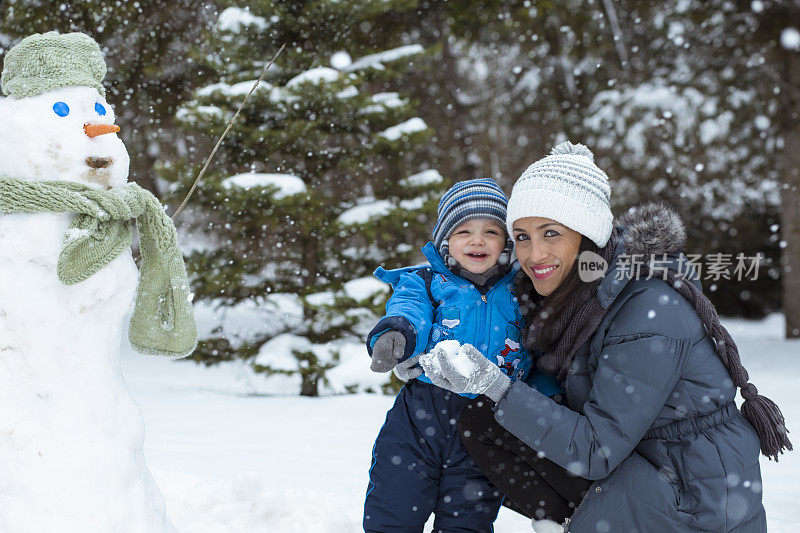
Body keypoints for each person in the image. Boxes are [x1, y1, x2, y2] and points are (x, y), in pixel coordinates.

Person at [419, 142, 792, 532]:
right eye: (523, 237)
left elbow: (597, 450)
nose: (534, 254)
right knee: (485, 422)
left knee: (494, 418)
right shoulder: (578, 295)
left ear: (588, 235)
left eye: (551, 233)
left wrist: (496, 385)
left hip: (695, 502)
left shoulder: (649, 306)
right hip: (649, 467)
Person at [362, 178, 563, 532]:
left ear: (506, 242)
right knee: (393, 509)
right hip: (421, 415)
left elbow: (541, 351)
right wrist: (397, 334)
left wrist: (548, 396)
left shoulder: (524, 291)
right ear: (445, 242)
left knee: (468, 520)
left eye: (491, 230)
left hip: (489, 426)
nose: (477, 240)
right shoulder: (427, 281)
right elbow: (410, 309)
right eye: (464, 230)